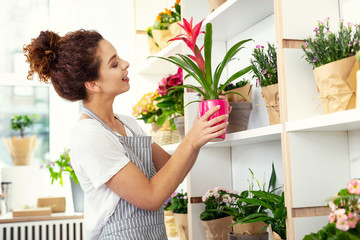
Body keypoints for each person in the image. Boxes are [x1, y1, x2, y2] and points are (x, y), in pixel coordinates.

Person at [24, 30, 228, 239]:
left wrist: (199, 130)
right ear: (93, 84)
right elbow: (151, 197)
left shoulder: (127, 124)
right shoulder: (89, 136)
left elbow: (171, 168)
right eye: (114, 64)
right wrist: (191, 141)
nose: (125, 64)